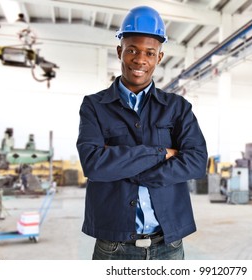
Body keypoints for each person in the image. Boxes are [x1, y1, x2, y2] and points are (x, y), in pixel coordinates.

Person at [76, 6, 208, 260]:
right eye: (132, 50)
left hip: (167, 245)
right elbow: (93, 164)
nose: (140, 60)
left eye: (149, 53)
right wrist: (162, 153)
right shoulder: (94, 106)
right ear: (120, 52)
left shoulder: (177, 107)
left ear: (159, 58)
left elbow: (197, 162)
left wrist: (125, 168)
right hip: (113, 246)